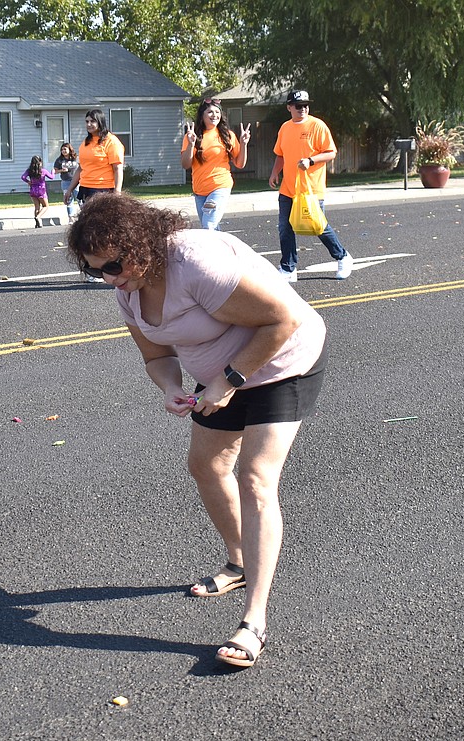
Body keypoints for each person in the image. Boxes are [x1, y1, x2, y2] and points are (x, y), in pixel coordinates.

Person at [66, 193, 327, 669]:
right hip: (218, 378)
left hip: (283, 362)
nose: (110, 277)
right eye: (96, 270)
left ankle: (254, 622)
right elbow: (156, 356)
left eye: (115, 264)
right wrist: (169, 387)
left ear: (141, 243)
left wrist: (228, 380)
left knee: (255, 478)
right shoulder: (127, 290)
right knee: (206, 465)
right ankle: (239, 561)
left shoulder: (195, 262)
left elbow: (282, 319)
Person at [268, 89, 354, 282]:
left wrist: (311, 160)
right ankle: (288, 268)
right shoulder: (285, 128)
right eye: (298, 106)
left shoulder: (317, 126)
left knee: (317, 226)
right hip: (288, 188)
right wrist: (275, 172)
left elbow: (331, 152)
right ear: (289, 107)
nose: (303, 109)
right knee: (285, 228)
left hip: (310, 189)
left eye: (306, 105)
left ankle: (343, 257)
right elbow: (280, 153)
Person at [66, 108, 126, 282]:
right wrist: (70, 189)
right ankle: (93, 269)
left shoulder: (111, 142)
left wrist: (117, 193)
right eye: (86, 122)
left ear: (100, 122)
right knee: (86, 231)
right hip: (86, 189)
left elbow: (117, 168)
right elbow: (81, 168)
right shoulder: (85, 143)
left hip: (104, 191)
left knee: (100, 232)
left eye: (92, 121)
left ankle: (108, 267)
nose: (89, 124)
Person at [181, 98, 251, 230]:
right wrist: (191, 144)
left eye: (217, 112)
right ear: (202, 115)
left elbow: (240, 163)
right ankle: (222, 251)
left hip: (220, 186)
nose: (215, 115)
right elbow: (185, 164)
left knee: (208, 226)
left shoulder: (228, 135)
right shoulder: (192, 136)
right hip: (200, 191)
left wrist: (244, 144)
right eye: (210, 112)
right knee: (212, 229)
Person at [21, 156, 56, 228]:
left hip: (33, 190)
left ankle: (37, 223)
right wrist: (53, 171)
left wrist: (28, 181)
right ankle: (38, 217)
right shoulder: (43, 171)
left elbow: (23, 177)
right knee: (45, 206)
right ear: (40, 162)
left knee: (37, 206)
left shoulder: (29, 171)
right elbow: (52, 177)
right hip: (41, 190)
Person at [53, 143, 80, 222]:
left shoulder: (76, 158)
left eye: (65, 149)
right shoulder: (59, 160)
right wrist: (61, 170)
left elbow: (83, 167)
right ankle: (70, 218)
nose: (63, 151)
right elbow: (54, 171)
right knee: (68, 199)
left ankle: (83, 215)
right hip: (66, 181)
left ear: (70, 149)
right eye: (62, 149)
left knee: (79, 198)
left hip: (76, 181)